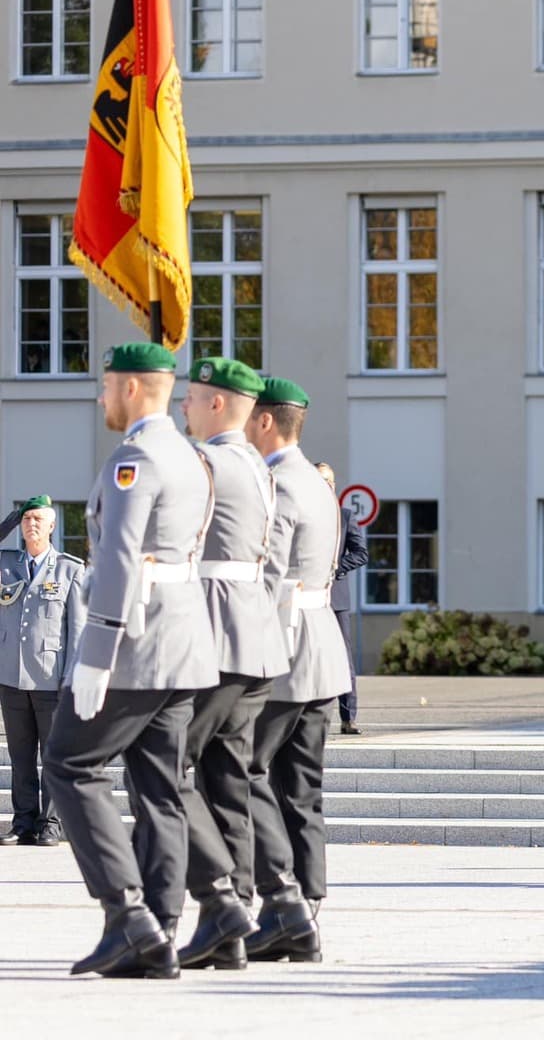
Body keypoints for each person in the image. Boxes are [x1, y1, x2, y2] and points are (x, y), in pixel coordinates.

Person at [42, 342, 216, 979]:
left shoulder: (137, 458)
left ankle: (128, 913)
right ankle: (161, 931)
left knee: (68, 762)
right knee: (161, 788)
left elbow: (118, 555)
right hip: (184, 645)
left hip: (136, 645)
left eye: (107, 385)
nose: (100, 397)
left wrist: (96, 652)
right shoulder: (194, 457)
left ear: (134, 389)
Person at [169, 357, 289, 971]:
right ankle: (236, 917)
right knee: (225, 779)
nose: (181, 408)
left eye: (190, 398)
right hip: (256, 635)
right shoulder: (257, 464)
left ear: (217, 404)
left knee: (170, 767)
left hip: (216, 635)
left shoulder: (207, 462)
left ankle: (217, 902)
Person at [242, 378, 352, 963]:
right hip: (319, 651)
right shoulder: (315, 481)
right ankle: (304, 909)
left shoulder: (279, 485)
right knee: (301, 790)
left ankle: (280, 903)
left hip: (283, 652)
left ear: (265, 422)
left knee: (242, 770)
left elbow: (266, 576)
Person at [0, 496, 85, 847]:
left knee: (52, 755)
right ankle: (22, 822)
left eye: (39, 519)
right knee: (20, 756)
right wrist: (11, 517)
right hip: (10, 676)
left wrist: (72, 679)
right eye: (27, 519)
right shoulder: (5, 565)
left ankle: (50, 823)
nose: (32, 524)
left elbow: (77, 629)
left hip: (52, 679)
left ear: (52, 527)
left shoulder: (70, 569)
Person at [316, 462, 368, 736]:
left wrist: (336, 566)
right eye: (319, 480)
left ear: (334, 485)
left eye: (328, 481)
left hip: (336, 599)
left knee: (344, 660)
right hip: (307, 598)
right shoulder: (306, 514)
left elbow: (361, 553)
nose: (325, 486)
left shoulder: (345, 517)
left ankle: (349, 718)